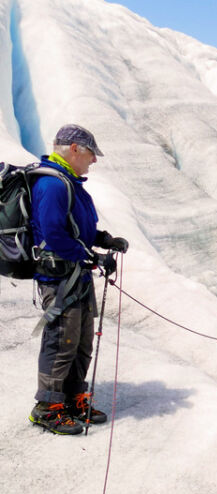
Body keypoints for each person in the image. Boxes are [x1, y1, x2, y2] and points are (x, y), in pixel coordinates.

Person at [29, 124, 128, 435]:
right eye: (90, 154)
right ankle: (47, 407)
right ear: (74, 149)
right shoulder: (53, 185)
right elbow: (54, 235)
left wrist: (103, 239)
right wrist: (93, 257)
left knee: (80, 341)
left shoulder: (69, 183)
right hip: (59, 279)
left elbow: (74, 229)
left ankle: (72, 398)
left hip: (75, 276)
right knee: (61, 341)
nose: (93, 161)